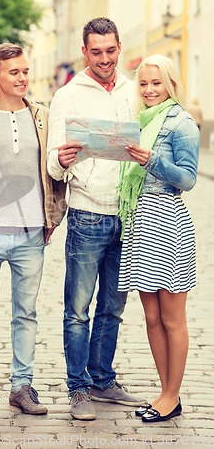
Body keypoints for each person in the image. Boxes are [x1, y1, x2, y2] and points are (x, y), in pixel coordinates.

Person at [0, 43, 66, 418]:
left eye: (25, 71)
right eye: (14, 72)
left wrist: (52, 215)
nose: (23, 78)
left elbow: (56, 165)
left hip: (31, 232)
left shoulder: (44, 116)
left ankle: (22, 386)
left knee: (26, 312)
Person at [47, 17, 146, 421]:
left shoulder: (134, 91)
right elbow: (52, 164)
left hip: (128, 211)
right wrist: (62, 159)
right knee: (78, 308)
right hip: (88, 213)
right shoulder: (67, 96)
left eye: (110, 50)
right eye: (96, 51)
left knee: (114, 306)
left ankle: (103, 379)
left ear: (119, 47)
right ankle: (78, 387)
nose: (104, 59)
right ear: (83, 52)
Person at [117, 54, 200, 423]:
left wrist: (152, 161)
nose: (150, 90)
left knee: (171, 316)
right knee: (151, 315)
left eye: (157, 83)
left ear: (171, 84)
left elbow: (188, 179)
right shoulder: (137, 122)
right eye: (144, 84)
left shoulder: (182, 123)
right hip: (140, 222)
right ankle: (166, 391)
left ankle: (171, 394)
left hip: (167, 221)